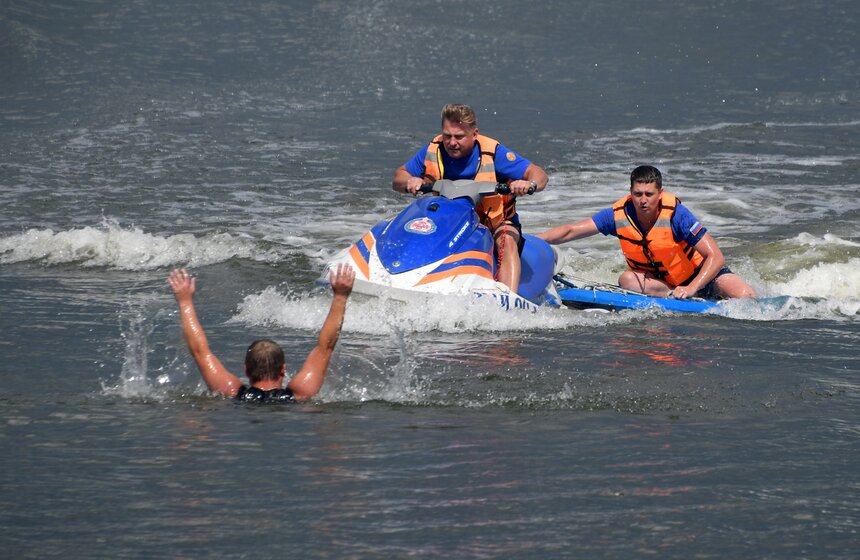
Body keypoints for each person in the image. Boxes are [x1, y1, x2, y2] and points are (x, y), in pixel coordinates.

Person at [392, 103, 549, 293]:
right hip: (450, 222)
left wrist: (528, 184)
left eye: (459, 137)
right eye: (447, 136)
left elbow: (538, 173)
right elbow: (399, 177)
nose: (451, 142)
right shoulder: (432, 150)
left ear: (474, 134)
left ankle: (509, 298)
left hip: (496, 224)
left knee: (505, 241)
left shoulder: (494, 153)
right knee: (410, 226)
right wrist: (410, 180)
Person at [537, 165, 756, 300]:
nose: (643, 200)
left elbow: (716, 257)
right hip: (666, 285)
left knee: (744, 295)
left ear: (660, 193)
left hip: (704, 277)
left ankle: (695, 295)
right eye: (637, 193)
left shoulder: (677, 216)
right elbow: (570, 231)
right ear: (630, 192)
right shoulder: (618, 215)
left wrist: (691, 288)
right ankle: (672, 297)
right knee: (627, 280)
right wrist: (532, 240)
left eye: (649, 194)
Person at [168, 264, 356, 402]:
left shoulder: (231, 392)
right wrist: (340, 296)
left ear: (246, 369)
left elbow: (200, 351)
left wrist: (185, 301)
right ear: (283, 369)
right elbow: (325, 346)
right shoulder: (300, 393)